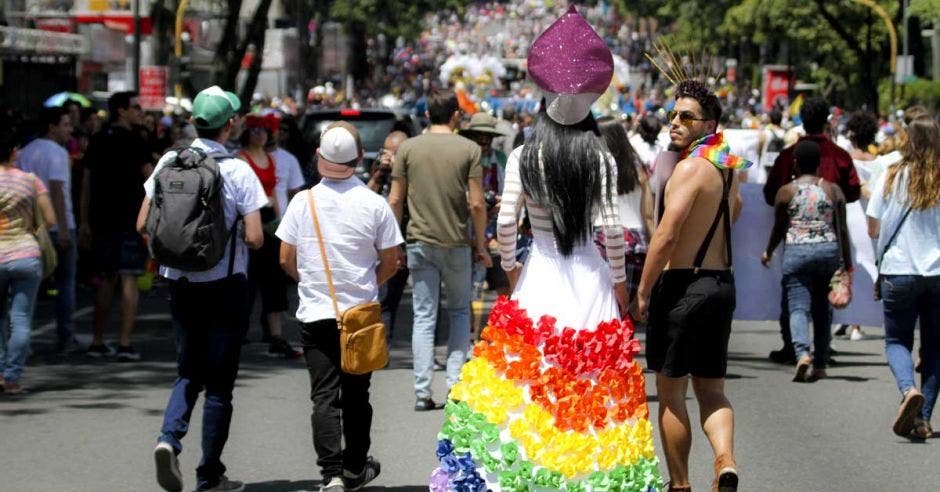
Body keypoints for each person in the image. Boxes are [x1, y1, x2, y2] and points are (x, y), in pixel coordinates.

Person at [430, 7, 661, 491]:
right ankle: (586, 478)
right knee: (593, 391)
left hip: (541, 274)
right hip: (590, 275)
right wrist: (621, 284)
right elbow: (613, 233)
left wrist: (512, 270)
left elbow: (506, 223)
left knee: (528, 389)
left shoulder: (523, 155)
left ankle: (523, 479)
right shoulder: (597, 155)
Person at [142, 86, 267, 492]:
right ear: (229, 124)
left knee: (187, 370)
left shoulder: (168, 161)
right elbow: (254, 237)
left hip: (179, 281)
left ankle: (168, 438)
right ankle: (209, 473)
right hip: (226, 285)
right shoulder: (238, 169)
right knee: (219, 383)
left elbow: (142, 224)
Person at [632, 79, 747, 492]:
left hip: (683, 286)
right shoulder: (727, 169)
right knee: (713, 389)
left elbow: (666, 234)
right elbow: (732, 215)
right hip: (721, 285)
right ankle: (725, 460)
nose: (674, 123)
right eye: (673, 115)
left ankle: (680, 484)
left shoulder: (690, 168)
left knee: (672, 393)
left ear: (709, 124)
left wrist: (643, 290)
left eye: (686, 117)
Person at [277, 123, 402, 492]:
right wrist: (365, 284)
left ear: (318, 158)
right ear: (359, 159)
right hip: (360, 314)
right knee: (357, 395)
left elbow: (286, 258)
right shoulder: (374, 203)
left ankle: (330, 473)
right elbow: (391, 262)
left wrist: (312, 283)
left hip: (316, 314)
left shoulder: (303, 202)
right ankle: (354, 468)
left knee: (324, 397)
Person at [387, 90, 490, 411]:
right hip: (457, 242)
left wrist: (394, 243)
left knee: (423, 316)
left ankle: (421, 391)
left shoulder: (408, 148)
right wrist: (481, 244)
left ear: (428, 115)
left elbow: (394, 199)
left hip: (418, 241)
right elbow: (475, 202)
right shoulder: (469, 149)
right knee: (459, 312)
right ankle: (455, 385)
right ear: (455, 116)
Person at [763, 97, 861, 364]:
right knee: (822, 302)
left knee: (794, 299)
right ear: (826, 120)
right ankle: (822, 351)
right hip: (830, 241)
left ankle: (795, 348)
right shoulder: (839, 157)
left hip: (794, 243)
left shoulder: (788, 157)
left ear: (801, 121)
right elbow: (853, 192)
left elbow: (771, 194)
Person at [866, 116, 940, 440]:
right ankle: (922, 419)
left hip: (898, 269)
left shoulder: (892, 174)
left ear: (908, 140)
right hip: (938, 273)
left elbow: (873, 225)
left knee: (897, 341)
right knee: (935, 349)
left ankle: (908, 389)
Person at [79, 91, 152, 360]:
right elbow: (151, 179)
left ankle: (98, 341)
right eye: (135, 107)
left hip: (102, 220)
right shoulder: (137, 140)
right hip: (131, 220)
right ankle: (124, 343)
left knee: (107, 279)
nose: (139, 112)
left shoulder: (97, 140)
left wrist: (84, 221)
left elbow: (86, 182)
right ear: (121, 110)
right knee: (129, 278)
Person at [16, 106, 76, 353]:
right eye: (65, 125)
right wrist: (63, 229)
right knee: (65, 282)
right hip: (57, 225)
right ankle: (65, 335)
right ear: (52, 127)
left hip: (30, 226)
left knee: (30, 287)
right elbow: (57, 192)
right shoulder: (58, 153)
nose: (70, 130)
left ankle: (23, 343)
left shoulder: (24, 152)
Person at [239, 113, 299, 357]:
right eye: (256, 130)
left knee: (274, 280)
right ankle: (238, 332)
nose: (261, 134)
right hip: (249, 219)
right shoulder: (240, 159)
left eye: (265, 130)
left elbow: (274, 193)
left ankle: (276, 336)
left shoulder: (270, 159)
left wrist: (280, 224)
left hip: (270, 223)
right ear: (248, 133)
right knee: (247, 280)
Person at [0, 133, 56, 395]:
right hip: (26, 255)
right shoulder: (30, 181)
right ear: (13, 151)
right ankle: (11, 377)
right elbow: (50, 219)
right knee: (20, 319)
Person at [596, 116, 654, 302]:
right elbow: (648, 214)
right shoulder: (638, 166)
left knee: (603, 310)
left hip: (600, 240)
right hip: (637, 243)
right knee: (627, 312)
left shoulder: (593, 167)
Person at [366, 131, 410, 338]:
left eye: (396, 153)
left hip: (410, 238)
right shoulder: (379, 170)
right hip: (383, 242)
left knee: (422, 300)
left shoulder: (413, 172)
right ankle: (381, 347)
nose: (390, 158)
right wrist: (379, 174)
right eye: (387, 152)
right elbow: (365, 199)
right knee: (384, 298)